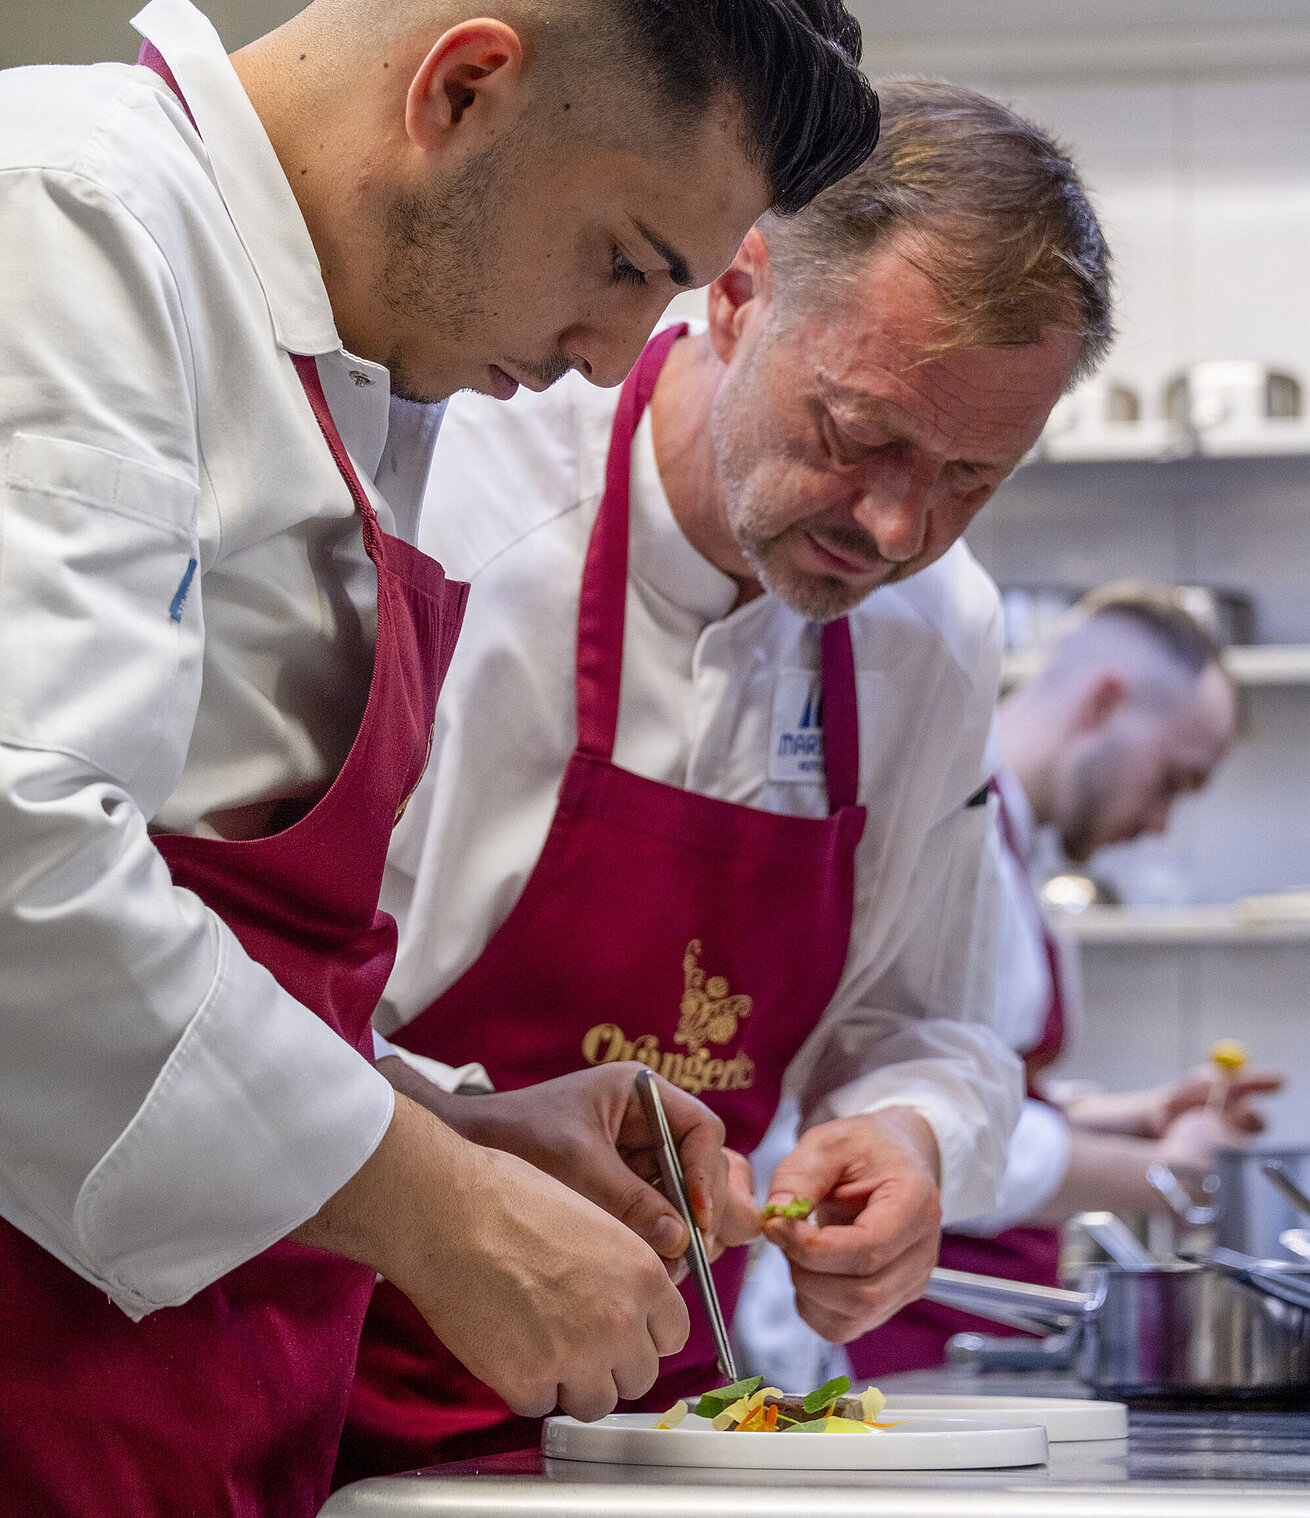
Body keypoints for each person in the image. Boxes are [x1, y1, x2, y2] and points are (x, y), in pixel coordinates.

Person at [0, 0, 880, 1512]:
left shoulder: (347, 362)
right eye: (623, 262)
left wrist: (444, 1117)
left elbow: (204, 912)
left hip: (189, 1406)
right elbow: (23, 859)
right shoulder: (70, 217)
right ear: (464, 85)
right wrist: (432, 1206)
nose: (610, 365)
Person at [337, 78, 1114, 1480]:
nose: (895, 523)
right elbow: (262, 992)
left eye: (968, 477)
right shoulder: (457, 508)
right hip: (328, 1375)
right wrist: (462, 1179)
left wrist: (910, 1133)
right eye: (856, 434)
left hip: (661, 1428)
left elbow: (936, 1022)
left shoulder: (940, 634)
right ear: (738, 291)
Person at [742, 585, 1278, 1385]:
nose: (1162, 822)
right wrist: (1165, 1177)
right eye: (1173, 780)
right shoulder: (964, 845)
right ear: (1103, 703)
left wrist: (1129, 1117)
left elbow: (973, 1086)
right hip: (897, 1338)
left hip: (955, 1325)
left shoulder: (1016, 847)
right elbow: (923, 1124)